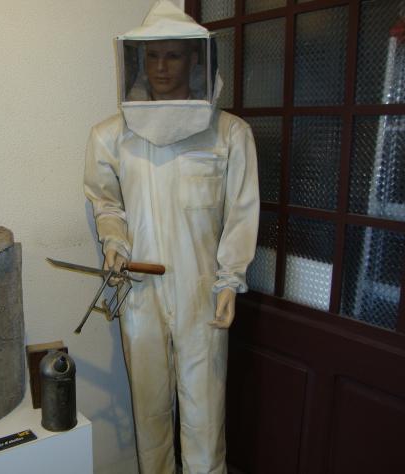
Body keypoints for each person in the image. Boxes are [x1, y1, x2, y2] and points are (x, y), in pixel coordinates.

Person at [83, 2, 259, 473]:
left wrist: (230, 280)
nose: (161, 67)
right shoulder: (110, 136)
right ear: (138, 60)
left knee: (204, 417)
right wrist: (114, 243)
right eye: (152, 56)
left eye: (173, 55)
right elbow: (107, 204)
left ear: (195, 59)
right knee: (150, 414)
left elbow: (241, 214)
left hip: (202, 292)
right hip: (139, 289)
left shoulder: (229, 134)